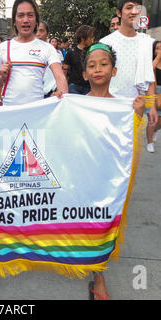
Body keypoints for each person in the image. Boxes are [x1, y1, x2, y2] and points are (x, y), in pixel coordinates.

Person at [81, 42, 145, 300]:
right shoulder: (75, 104)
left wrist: (137, 115)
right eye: (92, 65)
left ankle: (98, 275)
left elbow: (129, 143)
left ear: (114, 70)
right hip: (81, 175)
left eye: (104, 64)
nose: (98, 69)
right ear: (84, 73)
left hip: (107, 179)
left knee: (103, 224)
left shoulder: (123, 107)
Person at [0, 0, 68, 106]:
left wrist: (62, 97)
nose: (25, 20)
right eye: (21, 15)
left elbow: (60, 77)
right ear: (14, 20)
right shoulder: (4, 47)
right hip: (8, 111)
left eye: (30, 15)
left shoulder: (47, 48)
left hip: (36, 112)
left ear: (36, 20)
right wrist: (2, 76)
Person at [100, 0, 158, 127]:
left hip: (135, 107)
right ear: (119, 13)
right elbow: (98, 77)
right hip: (109, 106)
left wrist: (152, 107)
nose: (133, 12)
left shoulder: (145, 42)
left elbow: (149, 77)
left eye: (137, 8)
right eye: (129, 7)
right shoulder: (106, 43)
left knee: (132, 146)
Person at [63, 25, 94, 95]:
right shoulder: (71, 52)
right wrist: (64, 87)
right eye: (90, 37)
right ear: (83, 38)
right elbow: (64, 71)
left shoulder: (93, 52)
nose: (92, 39)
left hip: (89, 87)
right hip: (74, 87)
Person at [36, 21, 59, 98]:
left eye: (41, 31)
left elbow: (59, 74)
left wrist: (59, 90)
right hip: (33, 95)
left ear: (48, 34)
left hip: (49, 93)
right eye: (35, 30)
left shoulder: (52, 51)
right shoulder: (25, 52)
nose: (38, 34)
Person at [146, 40, 161, 153]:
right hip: (152, 91)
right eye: (157, 48)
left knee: (159, 121)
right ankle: (149, 142)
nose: (160, 50)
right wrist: (157, 58)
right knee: (152, 120)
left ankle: (155, 131)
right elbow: (150, 72)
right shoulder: (151, 62)